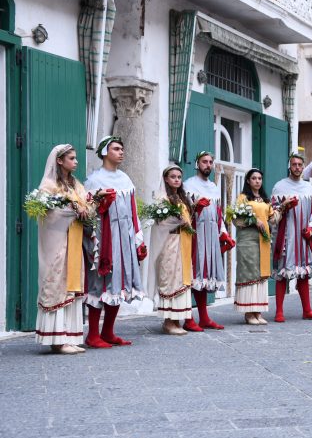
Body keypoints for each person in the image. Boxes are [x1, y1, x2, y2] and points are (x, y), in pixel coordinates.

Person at [83, 136, 146, 348]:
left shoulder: (126, 180)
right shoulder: (94, 180)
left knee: (119, 282)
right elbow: (87, 212)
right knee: (98, 283)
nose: (121, 152)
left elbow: (133, 212)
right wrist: (99, 203)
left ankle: (108, 331)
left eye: (122, 149)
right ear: (104, 152)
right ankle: (92, 334)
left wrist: (138, 240)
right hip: (104, 239)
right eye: (116, 149)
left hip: (125, 238)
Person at [35, 144, 92, 354]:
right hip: (58, 242)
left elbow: (85, 204)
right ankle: (56, 339)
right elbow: (48, 213)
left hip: (74, 241)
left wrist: (88, 205)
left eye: (76, 158)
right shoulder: (49, 185)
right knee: (57, 284)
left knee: (71, 284)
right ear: (60, 160)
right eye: (72, 158)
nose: (76, 161)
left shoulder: (75, 184)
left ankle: (69, 336)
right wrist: (71, 208)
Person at [183, 151, 235, 331]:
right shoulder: (189, 184)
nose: (208, 165)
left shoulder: (213, 187)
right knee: (193, 275)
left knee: (205, 276)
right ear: (197, 164)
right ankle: (188, 317)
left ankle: (204, 317)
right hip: (195, 234)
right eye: (204, 162)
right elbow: (183, 212)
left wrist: (224, 233)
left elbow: (218, 214)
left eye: (210, 162)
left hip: (211, 235)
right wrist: (195, 207)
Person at [271, 153, 312, 322]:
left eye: (300, 165)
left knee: (303, 274)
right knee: (282, 273)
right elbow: (272, 213)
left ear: (303, 167)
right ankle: (279, 311)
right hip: (286, 236)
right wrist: (284, 206)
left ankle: (307, 310)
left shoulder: (308, 187)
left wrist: (311, 227)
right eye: (294, 164)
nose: (297, 167)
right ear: (289, 166)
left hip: (303, 237)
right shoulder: (279, 187)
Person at [147, 166, 194, 336]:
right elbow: (161, 222)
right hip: (170, 243)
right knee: (171, 279)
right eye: (172, 176)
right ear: (166, 179)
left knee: (182, 279)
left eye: (179, 177)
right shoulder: (162, 198)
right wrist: (178, 221)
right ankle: (168, 321)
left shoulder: (182, 198)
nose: (176, 179)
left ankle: (177, 319)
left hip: (183, 242)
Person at [233, 169, 277, 325]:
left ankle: (258, 311)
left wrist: (282, 209)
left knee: (260, 274)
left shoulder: (265, 200)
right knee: (249, 273)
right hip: (248, 241)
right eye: (254, 178)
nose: (257, 181)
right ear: (248, 181)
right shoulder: (243, 198)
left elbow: (272, 218)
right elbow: (236, 218)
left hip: (263, 241)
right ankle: (248, 312)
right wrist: (253, 220)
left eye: (259, 178)